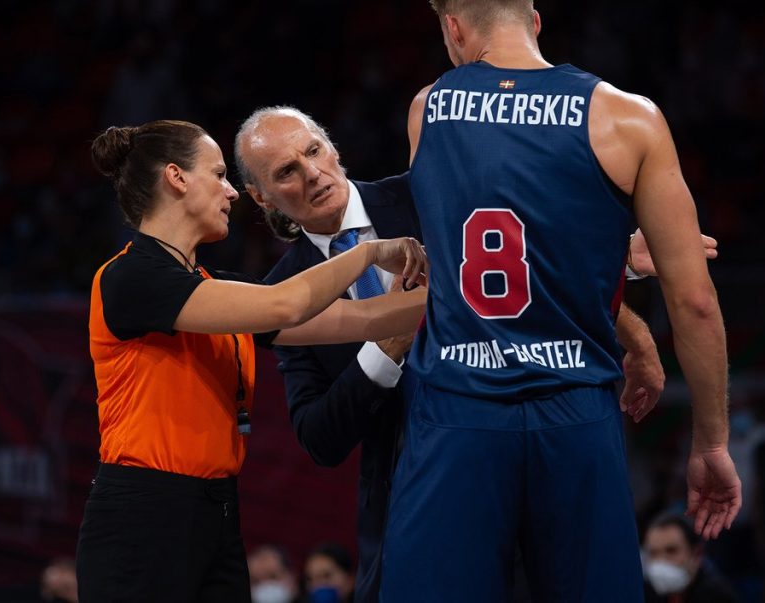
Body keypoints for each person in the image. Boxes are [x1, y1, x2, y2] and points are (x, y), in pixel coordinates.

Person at [379, 0, 741, 602]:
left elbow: (476, 244)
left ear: (453, 28)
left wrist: (601, 251)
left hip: (458, 408)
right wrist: (711, 442)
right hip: (575, 411)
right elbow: (694, 301)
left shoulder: (426, 109)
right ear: (535, 20)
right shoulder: (629, 117)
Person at [233, 106, 694, 602]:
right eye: (287, 171)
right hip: (407, 503)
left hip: (513, 461)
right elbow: (320, 437)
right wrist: (387, 347)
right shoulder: (283, 296)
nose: (312, 173)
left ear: (333, 148)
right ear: (261, 196)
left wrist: (620, 270)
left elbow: (530, 258)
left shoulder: (424, 190)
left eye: (313, 150)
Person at [75, 120, 427, 601]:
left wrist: (461, 291)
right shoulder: (131, 276)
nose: (231, 192)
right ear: (176, 178)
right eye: (219, 175)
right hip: (144, 512)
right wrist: (366, 253)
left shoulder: (213, 287)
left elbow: (360, 319)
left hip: (216, 510)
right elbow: (286, 305)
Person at [642, 513, 741, 602]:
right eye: (653, 553)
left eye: (671, 551)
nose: (661, 560)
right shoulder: (649, 594)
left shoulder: (717, 597)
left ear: (697, 554)